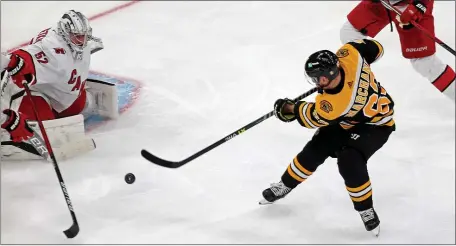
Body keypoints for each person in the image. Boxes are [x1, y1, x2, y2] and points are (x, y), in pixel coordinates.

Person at [260, 38, 395, 236]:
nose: (316, 83)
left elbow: (312, 118)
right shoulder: (350, 54)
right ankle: (284, 185)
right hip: (349, 118)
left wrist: (289, 108)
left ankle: (365, 209)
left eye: (318, 78)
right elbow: (377, 49)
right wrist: (362, 73)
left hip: (376, 124)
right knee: (315, 149)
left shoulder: (335, 104)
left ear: (329, 75)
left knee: (349, 160)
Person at [0, 9, 104, 124]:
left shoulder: (77, 41)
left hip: (64, 95)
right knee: (45, 124)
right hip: (39, 92)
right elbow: (26, 56)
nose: (82, 41)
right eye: (77, 36)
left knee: (78, 106)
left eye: (84, 36)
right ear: (66, 34)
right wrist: (14, 62)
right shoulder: (52, 48)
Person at [340, 0, 455, 101]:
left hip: (411, 4)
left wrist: (420, 5)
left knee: (425, 63)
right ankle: (359, 91)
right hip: (382, 3)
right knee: (349, 34)